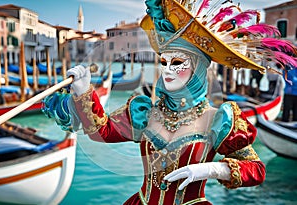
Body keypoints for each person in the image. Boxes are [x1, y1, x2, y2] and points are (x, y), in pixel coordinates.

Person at [43, 0, 296, 204]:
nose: (167, 71)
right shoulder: (145, 112)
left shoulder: (217, 120)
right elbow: (102, 131)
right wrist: (83, 89)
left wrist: (210, 170)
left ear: (197, 68)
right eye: (163, 62)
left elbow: (256, 169)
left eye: (177, 63)